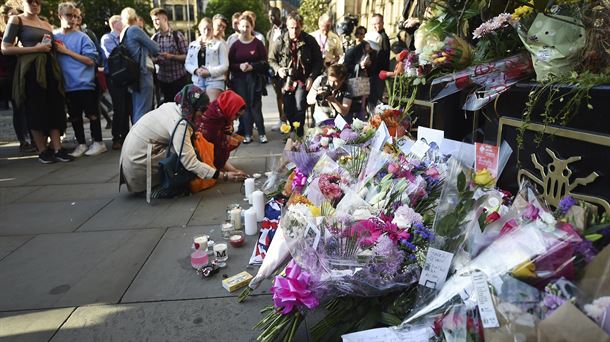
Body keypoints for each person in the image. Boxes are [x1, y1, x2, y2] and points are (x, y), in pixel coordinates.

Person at [119, 85, 246, 197]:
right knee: (191, 154)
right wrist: (223, 176)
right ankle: (161, 187)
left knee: (189, 147)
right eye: (201, 110)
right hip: (138, 166)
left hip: (133, 160)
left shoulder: (174, 107)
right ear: (191, 108)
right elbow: (190, 162)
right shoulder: (180, 124)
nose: (203, 115)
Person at [1, 0, 73, 163]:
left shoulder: (46, 23)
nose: (35, 4)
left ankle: (57, 148)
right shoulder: (16, 20)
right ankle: (42, 150)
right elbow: (5, 48)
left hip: (49, 68)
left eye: (38, 2)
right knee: (35, 108)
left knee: (55, 106)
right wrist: (36, 49)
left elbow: (51, 46)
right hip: (30, 69)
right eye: (30, 1)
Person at [54, 2, 106, 158]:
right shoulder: (54, 36)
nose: (72, 19)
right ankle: (81, 143)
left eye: (74, 15)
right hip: (66, 85)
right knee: (75, 116)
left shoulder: (83, 37)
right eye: (68, 15)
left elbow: (90, 60)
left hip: (85, 84)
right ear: (60, 16)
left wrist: (66, 51)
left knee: (92, 114)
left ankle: (98, 142)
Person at [268, 12, 322, 137]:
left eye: (297, 27)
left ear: (301, 26)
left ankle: (298, 134)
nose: (294, 31)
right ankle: (292, 129)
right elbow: (271, 59)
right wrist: (279, 69)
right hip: (286, 81)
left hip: (303, 80)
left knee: (299, 106)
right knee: (288, 108)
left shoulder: (309, 40)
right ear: (287, 26)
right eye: (291, 28)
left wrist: (311, 77)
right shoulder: (280, 41)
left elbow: (318, 61)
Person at [228, 14, 268, 144]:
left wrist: (253, 66)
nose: (245, 29)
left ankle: (262, 133)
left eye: (247, 26)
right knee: (244, 107)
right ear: (239, 27)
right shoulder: (235, 45)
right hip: (239, 80)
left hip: (255, 80)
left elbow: (265, 62)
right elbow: (230, 64)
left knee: (256, 106)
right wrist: (239, 66)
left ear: (252, 27)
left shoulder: (258, 43)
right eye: (243, 26)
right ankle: (247, 133)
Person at [0, 4, 33, 151]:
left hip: (21, 74)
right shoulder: (3, 36)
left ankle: (31, 138)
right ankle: (23, 140)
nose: (15, 17)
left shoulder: (22, 32)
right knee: (18, 108)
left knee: (25, 107)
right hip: (7, 77)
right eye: (11, 15)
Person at [120, 7, 160, 123]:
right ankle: (140, 139)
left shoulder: (124, 32)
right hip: (142, 72)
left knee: (137, 107)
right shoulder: (135, 30)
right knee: (143, 110)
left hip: (132, 74)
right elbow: (155, 47)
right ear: (135, 17)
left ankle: (136, 137)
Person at [195, 89, 247, 173]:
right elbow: (211, 143)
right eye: (236, 114)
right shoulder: (210, 117)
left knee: (236, 139)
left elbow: (226, 131)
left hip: (212, 147)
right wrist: (224, 175)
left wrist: (230, 130)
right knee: (223, 142)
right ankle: (215, 167)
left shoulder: (222, 111)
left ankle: (220, 165)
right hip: (201, 153)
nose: (236, 119)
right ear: (230, 107)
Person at [101, 14, 132, 150]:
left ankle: (126, 137)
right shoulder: (107, 38)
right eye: (121, 21)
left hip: (126, 77)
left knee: (127, 108)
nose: (124, 23)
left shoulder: (125, 37)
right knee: (119, 108)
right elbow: (115, 56)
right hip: (114, 77)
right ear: (114, 24)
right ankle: (116, 137)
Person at [150, 8, 189, 105]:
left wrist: (171, 56)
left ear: (165, 19)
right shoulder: (154, 38)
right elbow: (150, 58)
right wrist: (156, 60)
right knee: (167, 110)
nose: (155, 22)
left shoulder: (177, 36)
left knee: (181, 107)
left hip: (178, 80)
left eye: (157, 19)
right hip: (162, 81)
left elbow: (187, 57)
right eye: (153, 20)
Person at [185, 17, 228, 102]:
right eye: (204, 29)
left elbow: (225, 65)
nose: (207, 31)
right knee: (197, 104)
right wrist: (195, 70)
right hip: (198, 82)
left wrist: (209, 72)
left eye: (209, 29)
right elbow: (187, 63)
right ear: (199, 29)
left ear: (212, 29)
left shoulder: (219, 44)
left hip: (214, 81)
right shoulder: (193, 45)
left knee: (211, 105)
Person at [343, 26, 375, 121]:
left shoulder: (367, 46)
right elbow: (346, 66)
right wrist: (359, 66)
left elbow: (372, 63)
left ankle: (360, 123)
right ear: (355, 34)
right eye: (358, 33)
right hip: (352, 79)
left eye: (362, 34)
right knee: (351, 105)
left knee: (362, 106)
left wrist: (369, 64)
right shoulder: (351, 47)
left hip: (363, 79)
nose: (360, 36)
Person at [266, 6, 286, 131]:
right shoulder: (270, 33)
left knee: (287, 94)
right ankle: (281, 119)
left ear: (279, 15)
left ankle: (288, 119)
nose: (270, 18)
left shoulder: (287, 29)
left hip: (285, 67)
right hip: (274, 68)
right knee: (278, 94)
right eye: (269, 15)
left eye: (273, 15)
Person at [368, 13, 390, 110]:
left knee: (375, 102)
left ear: (382, 23)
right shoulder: (375, 36)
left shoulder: (383, 37)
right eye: (373, 24)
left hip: (378, 74)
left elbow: (382, 58)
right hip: (375, 74)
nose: (375, 26)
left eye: (377, 23)